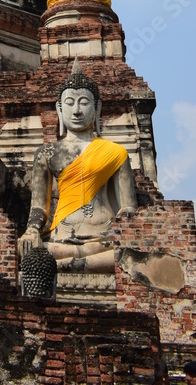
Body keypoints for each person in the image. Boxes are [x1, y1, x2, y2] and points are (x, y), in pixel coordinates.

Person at [18, 59, 137, 273]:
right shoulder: (47, 153)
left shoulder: (116, 152)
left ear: (97, 107)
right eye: (70, 103)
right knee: (28, 253)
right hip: (61, 237)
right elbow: (39, 207)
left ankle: (60, 267)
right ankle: (70, 265)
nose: (76, 111)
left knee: (128, 254)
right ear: (59, 109)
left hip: (104, 238)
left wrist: (128, 229)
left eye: (83, 102)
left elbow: (128, 209)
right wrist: (32, 230)